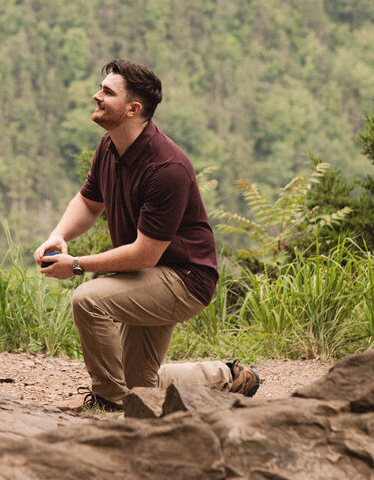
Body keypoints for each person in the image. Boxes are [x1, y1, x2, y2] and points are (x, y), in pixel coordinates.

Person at [34, 60, 260, 412]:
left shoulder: (166, 168)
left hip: (184, 278)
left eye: (107, 92)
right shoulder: (109, 147)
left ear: (133, 109)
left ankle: (109, 400)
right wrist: (58, 235)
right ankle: (226, 376)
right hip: (145, 276)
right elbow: (89, 203)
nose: (96, 96)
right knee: (142, 386)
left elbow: (145, 255)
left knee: (87, 299)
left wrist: (75, 264)